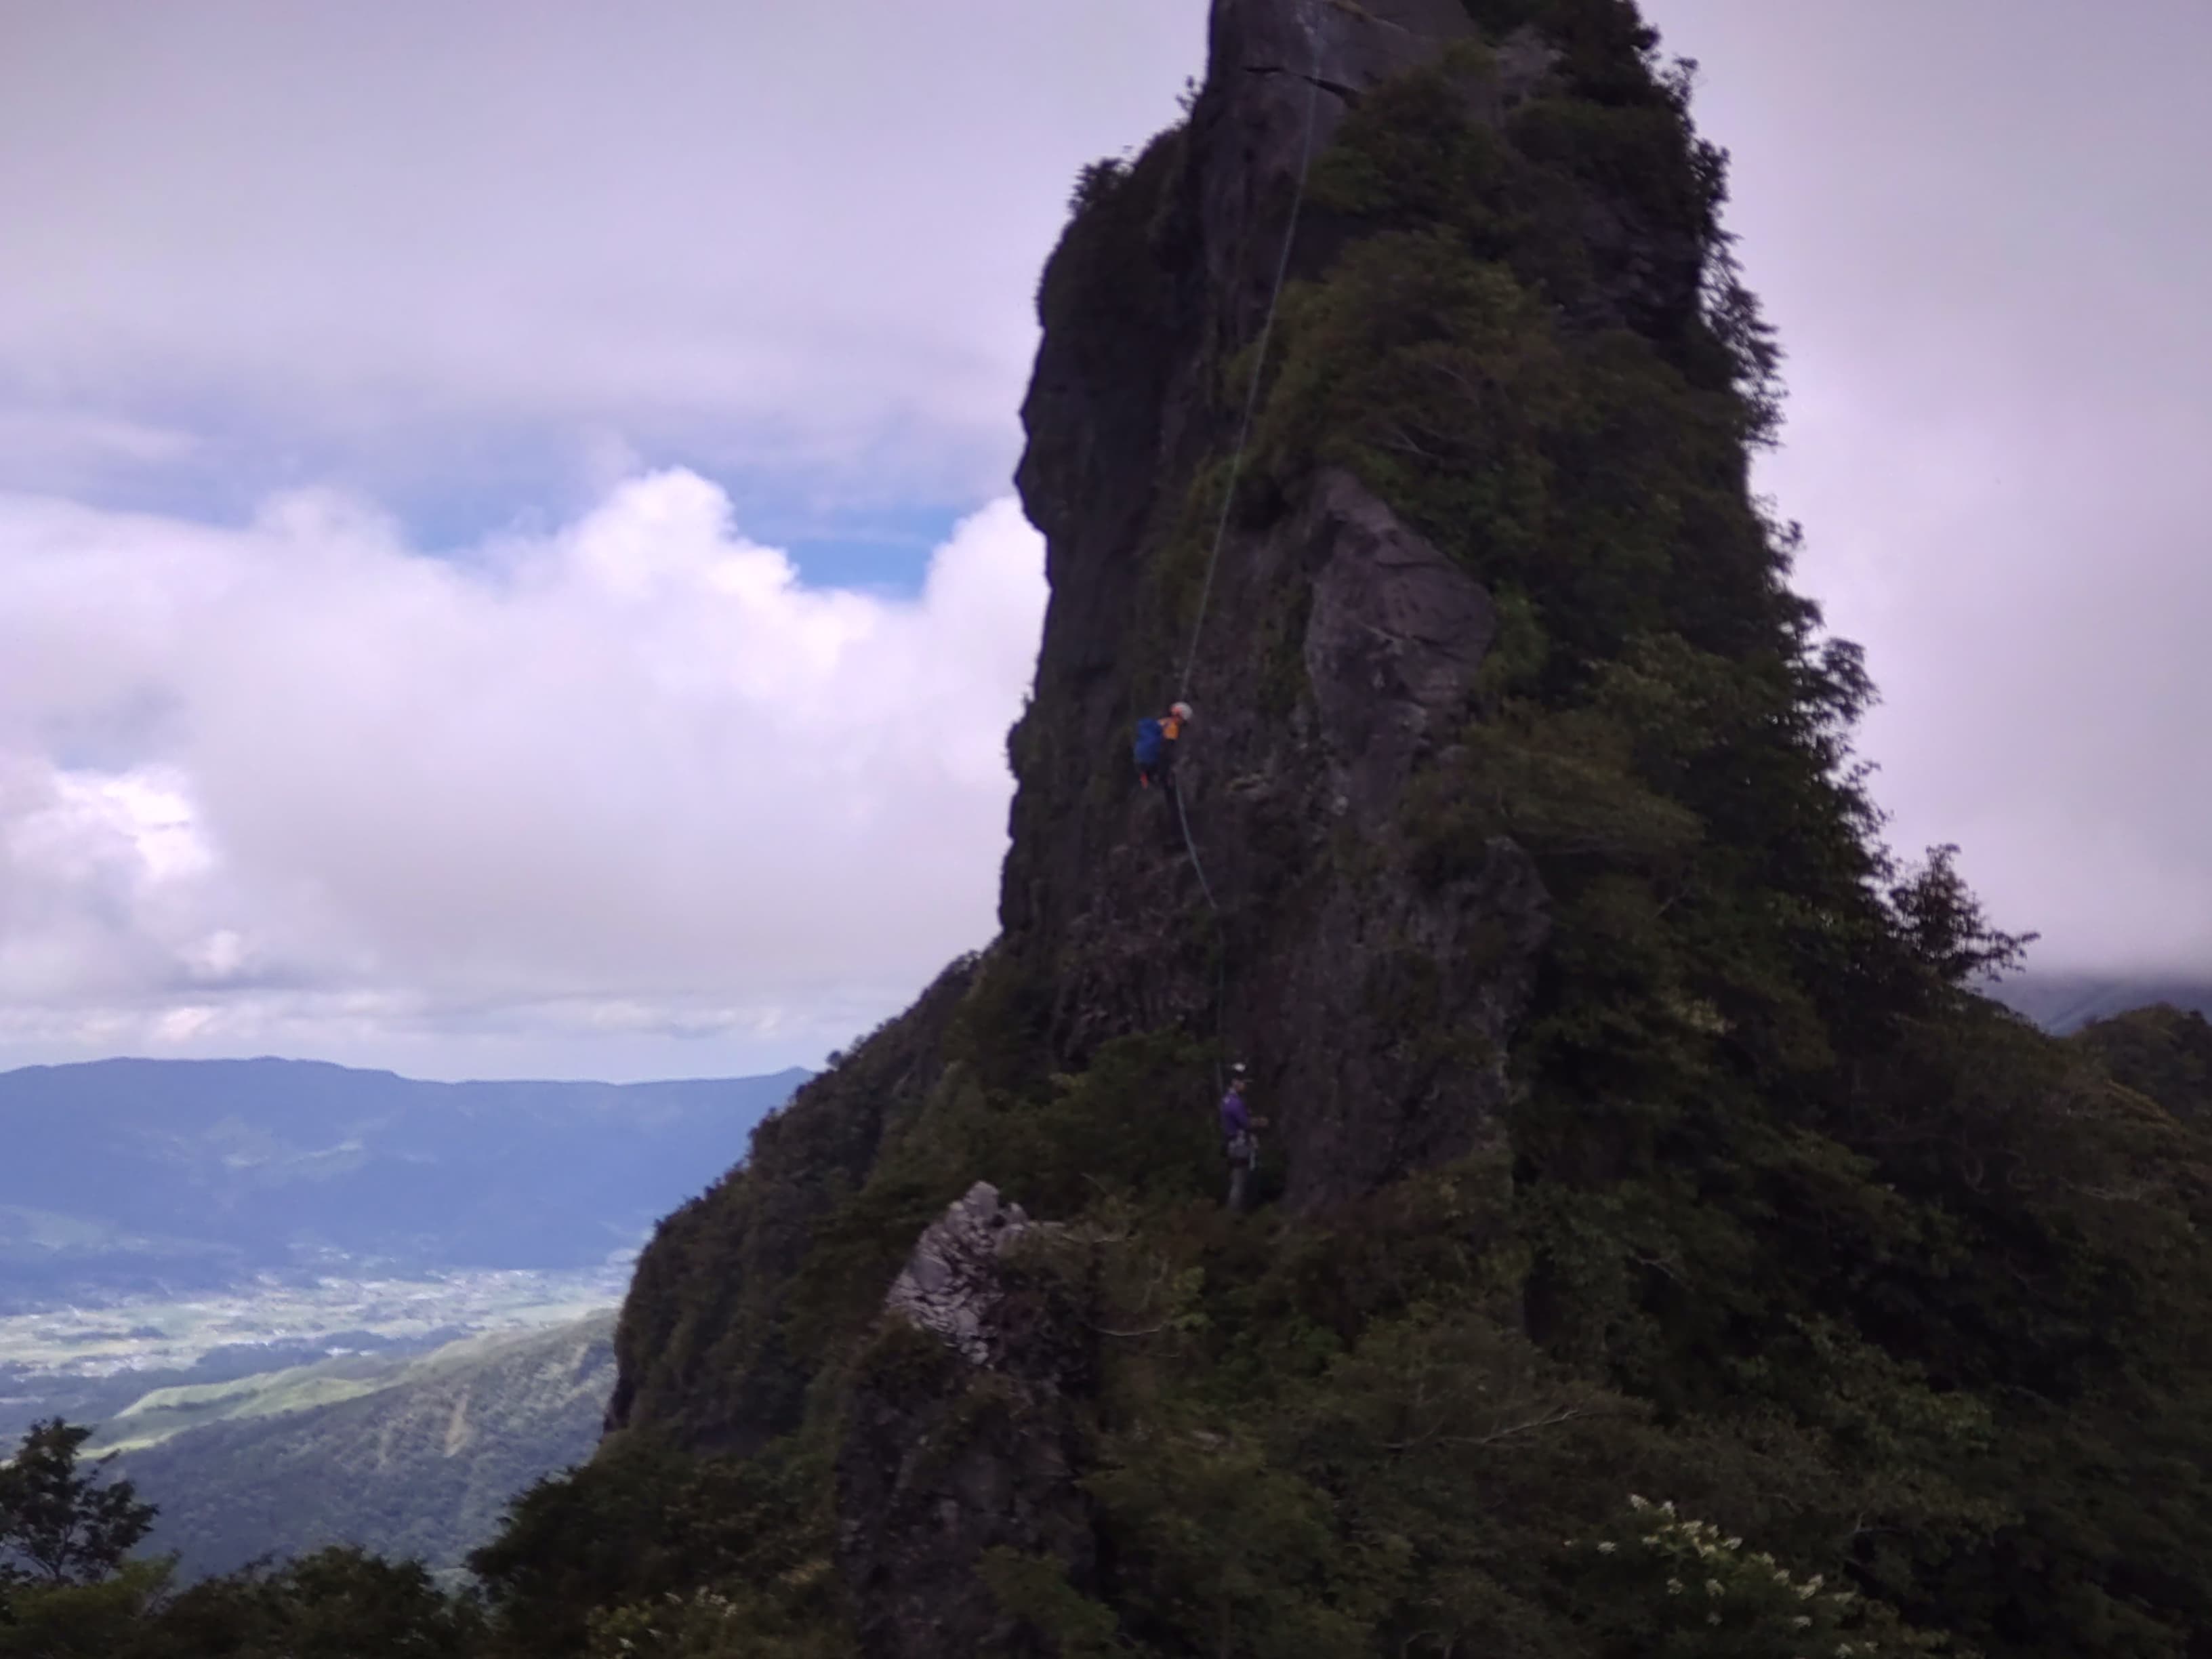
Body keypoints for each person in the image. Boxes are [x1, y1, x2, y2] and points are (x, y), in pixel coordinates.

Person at [1221, 1063, 1265, 1212]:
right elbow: (1246, 1124)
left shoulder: (1227, 1100)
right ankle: (1234, 1216)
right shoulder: (1235, 1103)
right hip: (1239, 1146)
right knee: (1241, 1181)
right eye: (1244, 1082)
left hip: (1234, 1144)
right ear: (1235, 1082)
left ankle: (1237, 1214)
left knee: (1239, 1180)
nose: (1246, 1086)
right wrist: (1260, 1122)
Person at [1132, 701, 1193, 792]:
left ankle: (1148, 778)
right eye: (1183, 721)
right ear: (1180, 717)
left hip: (1140, 759)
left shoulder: (1162, 722)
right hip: (1153, 761)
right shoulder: (1173, 727)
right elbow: (1166, 750)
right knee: (1167, 769)